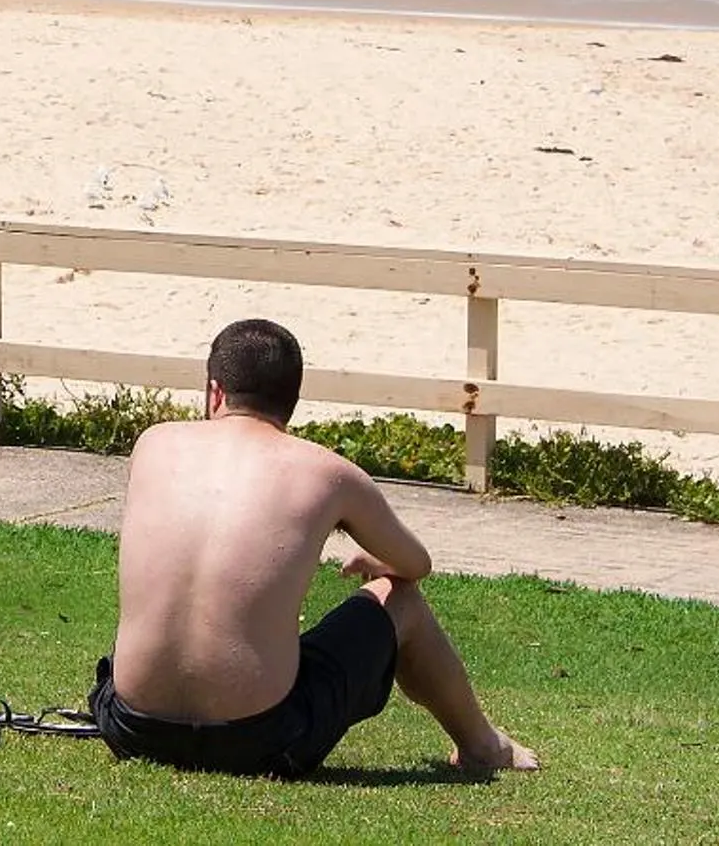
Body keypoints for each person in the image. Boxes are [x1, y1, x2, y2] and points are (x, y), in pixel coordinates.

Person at [93, 317, 537, 778]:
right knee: (401, 599)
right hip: (260, 742)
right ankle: (482, 745)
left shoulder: (154, 444)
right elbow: (415, 564)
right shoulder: (329, 473)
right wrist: (382, 562)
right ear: (291, 403)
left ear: (215, 392)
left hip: (132, 727)